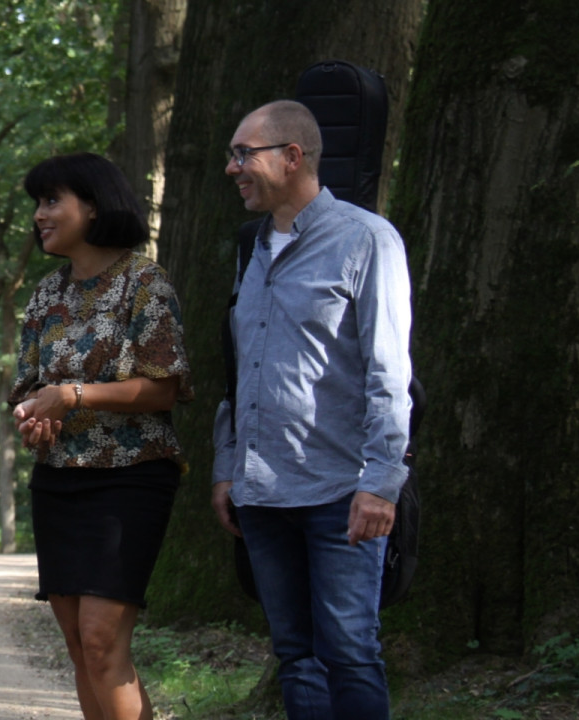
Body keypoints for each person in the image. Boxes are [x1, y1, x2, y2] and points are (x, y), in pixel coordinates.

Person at [211, 100, 412, 720]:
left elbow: (389, 371)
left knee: (350, 653)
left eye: (243, 154)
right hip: (261, 495)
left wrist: (381, 483)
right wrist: (226, 466)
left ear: (292, 156)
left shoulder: (366, 239)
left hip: (340, 494)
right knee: (296, 655)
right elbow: (239, 369)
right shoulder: (251, 247)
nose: (232, 168)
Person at [9, 153, 191, 720]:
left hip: (131, 478)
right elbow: (27, 387)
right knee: (77, 645)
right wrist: (33, 416)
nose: (40, 215)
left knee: (101, 639)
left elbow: (164, 388)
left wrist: (74, 396)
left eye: (51, 201)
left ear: (92, 206)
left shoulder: (144, 282)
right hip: (58, 479)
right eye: (37, 204)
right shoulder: (46, 295)